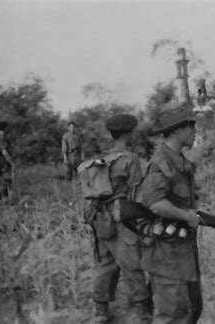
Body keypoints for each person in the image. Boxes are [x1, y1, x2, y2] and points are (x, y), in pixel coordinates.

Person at [137, 103, 203, 323]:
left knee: (191, 310)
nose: (195, 131)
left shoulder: (181, 163)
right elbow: (154, 203)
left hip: (183, 253)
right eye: (191, 126)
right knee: (172, 315)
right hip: (166, 254)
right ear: (177, 130)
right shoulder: (161, 163)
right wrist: (186, 217)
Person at [89, 114, 152, 324]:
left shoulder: (100, 160)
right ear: (128, 133)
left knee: (105, 264)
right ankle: (141, 311)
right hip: (122, 217)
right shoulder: (130, 159)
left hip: (100, 218)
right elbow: (137, 192)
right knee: (131, 262)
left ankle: (101, 311)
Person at [0, 121, 14, 201]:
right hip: (2, 165)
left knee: (5, 183)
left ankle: (6, 202)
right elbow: (4, 152)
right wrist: (11, 162)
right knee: (5, 182)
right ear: (5, 128)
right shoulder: (1, 138)